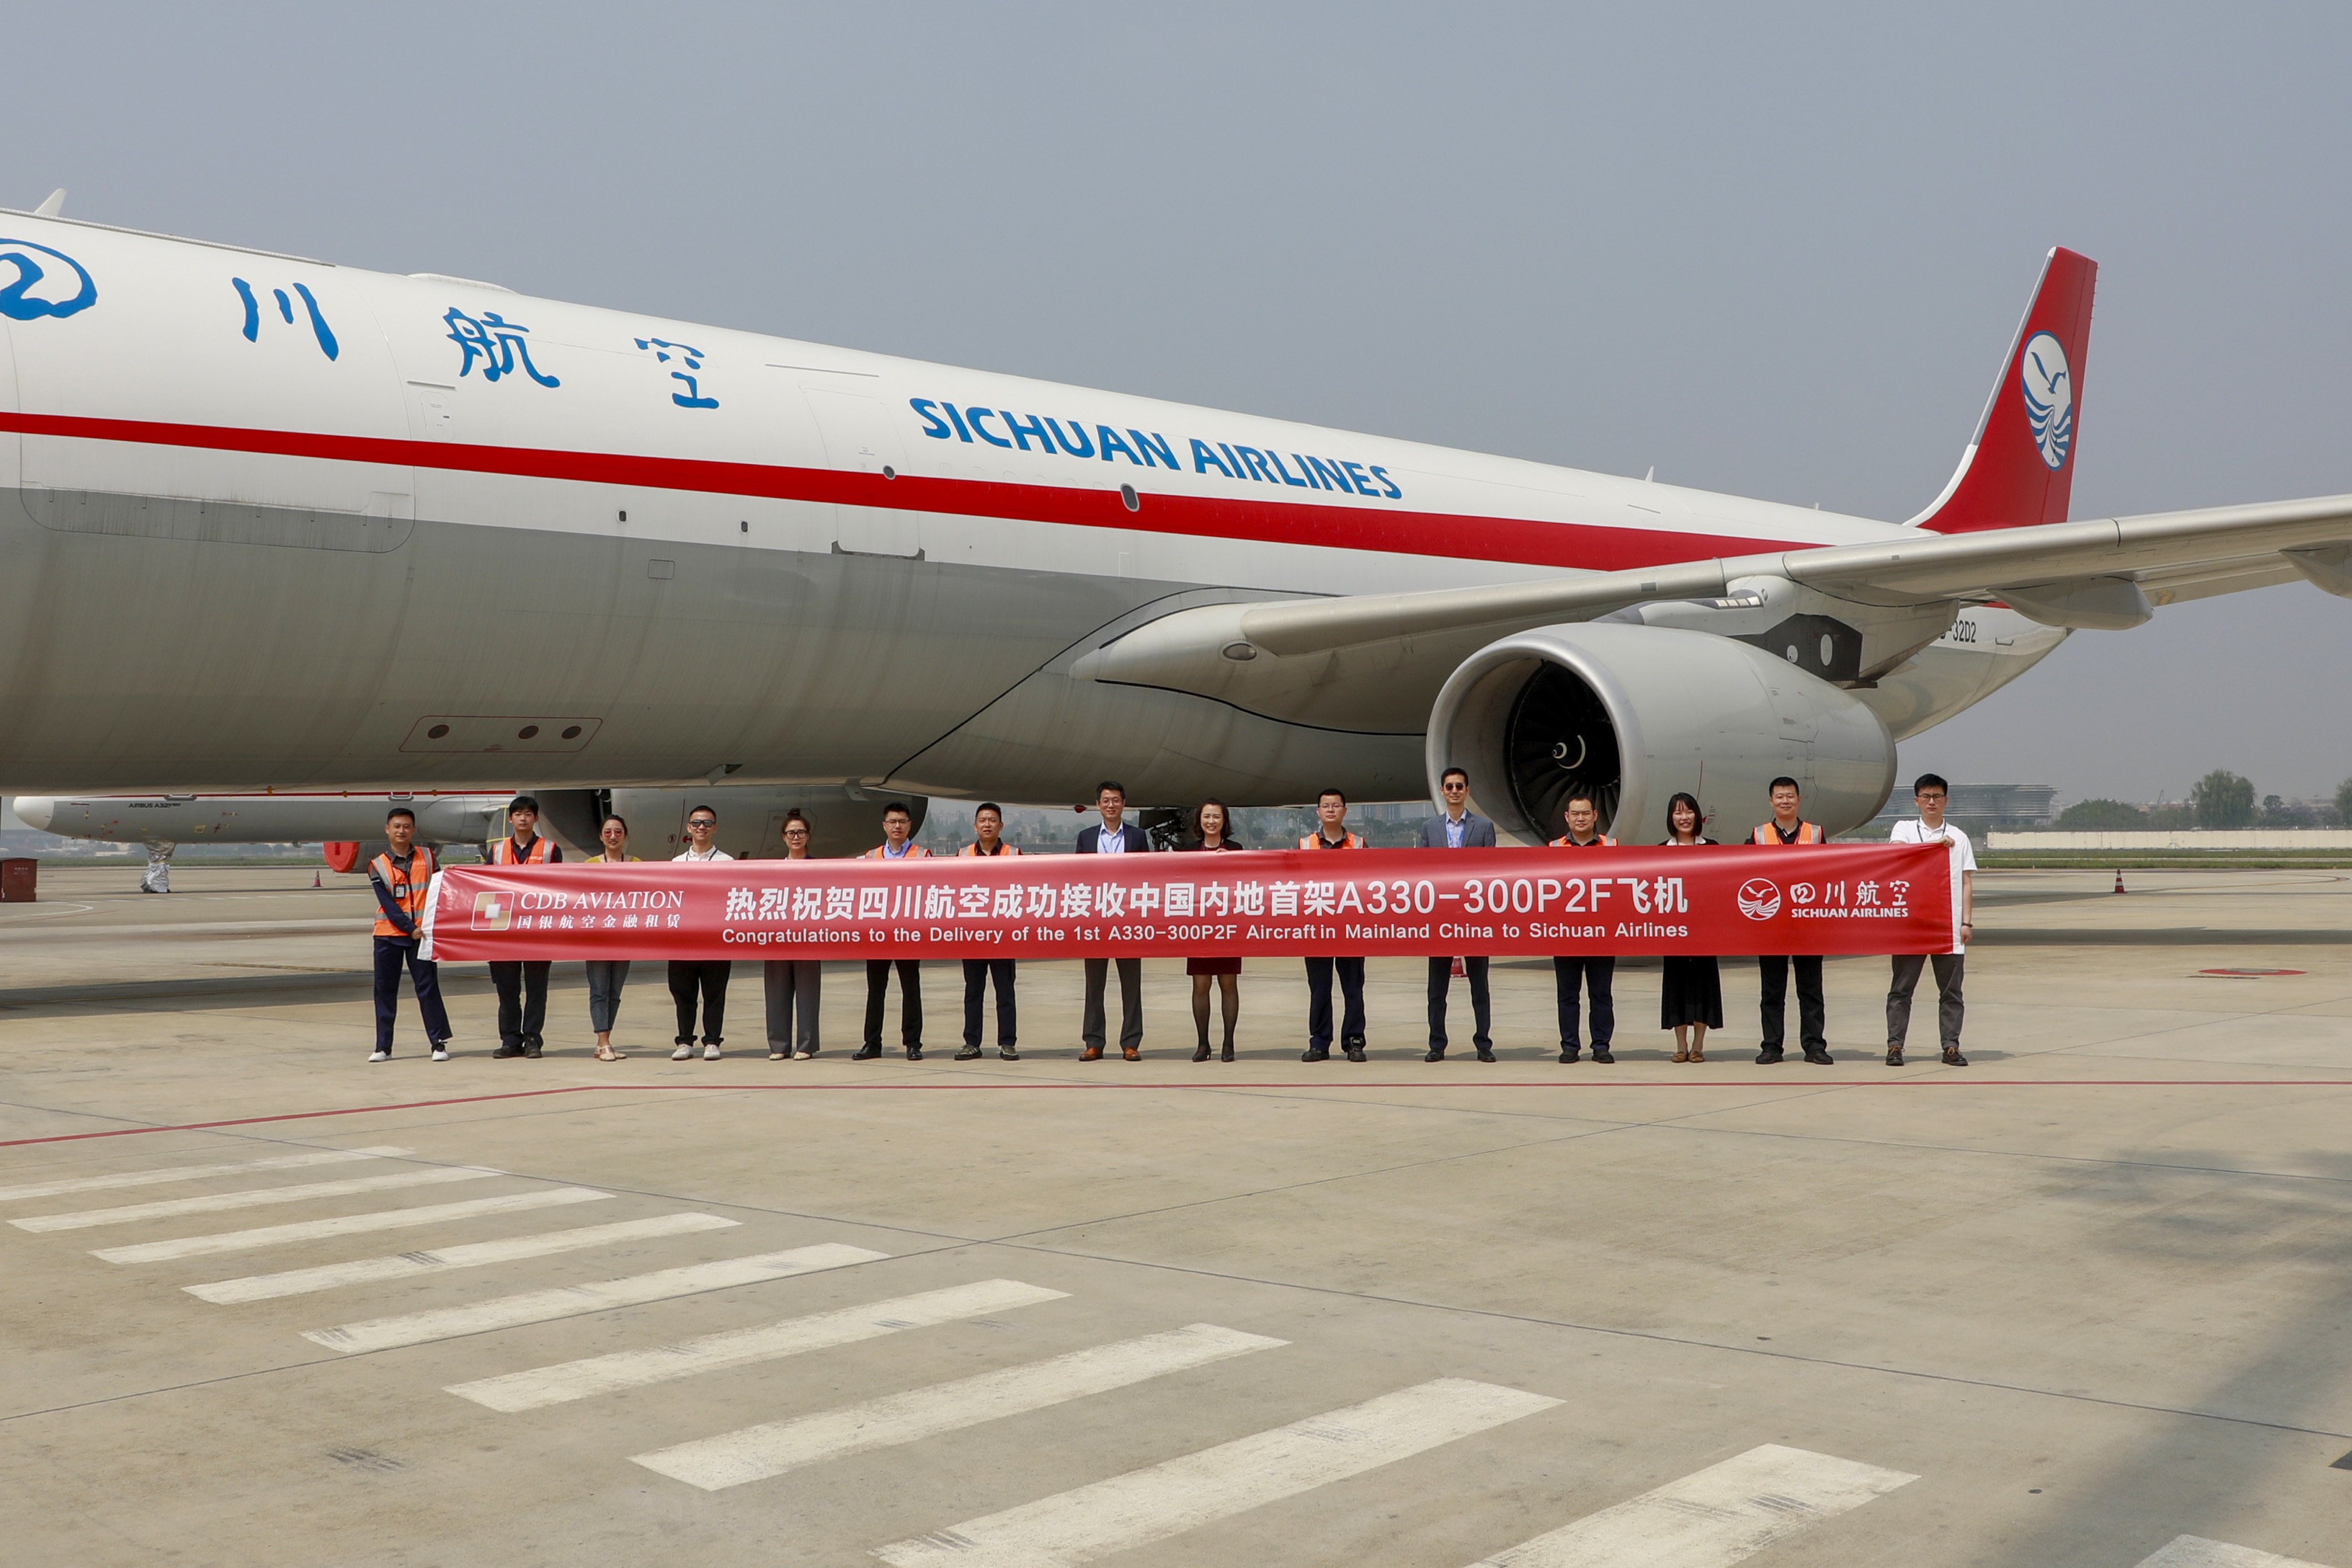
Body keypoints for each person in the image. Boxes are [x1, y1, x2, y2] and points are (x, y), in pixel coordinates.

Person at [1886, 772, 1976, 1067]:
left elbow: (1966, 882)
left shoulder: (1959, 837)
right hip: (1910, 924)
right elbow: (1898, 857)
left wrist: (1966, 922)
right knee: (1901, 989)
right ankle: (1895, 1046)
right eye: (1926, 797)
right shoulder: (1905, 829)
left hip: (1947, 925)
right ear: (1916, 801)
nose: (1931, 802)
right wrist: (1935, 848)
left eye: (1937, 796)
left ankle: (1951, 1046)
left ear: (1945, 800)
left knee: (1951, 992)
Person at [1751, 776, 1832, 1065]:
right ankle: (1772, 1046)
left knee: (1811, 989)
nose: (1785, 801)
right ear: (1770, 801)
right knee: (1772, 991)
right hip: (1771, 924)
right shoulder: (1758, 835)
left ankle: (1814, 1046)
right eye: (1779, 796)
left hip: (1808, 924)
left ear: (1799, 800)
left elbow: (1830, 873)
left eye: (1790, 796)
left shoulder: (1815, 832)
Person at [1420, 767, 1496, 1062]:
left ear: (1467, 791)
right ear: (1442, 791)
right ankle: (1437, 1044)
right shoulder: (1430, 828)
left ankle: (1484, 1044)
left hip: (1474, 917)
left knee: (1480, 987)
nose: (1454, 791)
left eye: (1459, 786)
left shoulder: (1483, 827)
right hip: (1440, 917)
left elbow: (1492, 872)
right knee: (1437, 989)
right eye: (1449, 786)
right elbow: (1423, 872)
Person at [366, 806, 452, 1063]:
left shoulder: (428, 857)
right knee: (384, 991)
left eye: (406, 826)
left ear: (413, 830)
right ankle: (383, 1047)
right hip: (388, 935)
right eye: (396, 826)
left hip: (422, 936)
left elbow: (441, 889)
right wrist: (409, 928)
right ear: (387, 830)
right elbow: (389, 905)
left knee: (427, 988)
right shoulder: (377, 865)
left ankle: (438, 1043)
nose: (401, 831)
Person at [1077, 781, 1149, 1061]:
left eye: (1116, 800)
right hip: (1095, 921)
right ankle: (1094, 1042)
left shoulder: (1137, 836)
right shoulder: (1085, 837)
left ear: (1124, 803)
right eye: (1106, 800)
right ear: (1098, 805)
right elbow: (1077, 879)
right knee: (1094, 985)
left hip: (1128, 919)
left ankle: (1131, 1042)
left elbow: (1147, 876)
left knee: (1131, 985)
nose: (1111, 805)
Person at [486, 795, 561, 1059]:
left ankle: (532, 1039)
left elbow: (559, 890)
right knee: (507, 990)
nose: (523, 818)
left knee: (536, 989)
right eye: (518, 814)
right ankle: (510, 1039)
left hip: (537, 931)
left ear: (536, 818)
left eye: (528, 814)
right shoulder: (496, 852)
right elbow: (486, 890)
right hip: (504, 931)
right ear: (511, 818)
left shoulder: (551, 850)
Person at [1299, 788, 1369, 1063]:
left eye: (1336, 805)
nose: (1331, 810)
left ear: (1345, 811)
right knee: (1319, 988)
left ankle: (1354, 1041)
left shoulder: (1359, 843)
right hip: (1317, 927)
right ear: (1318, 812)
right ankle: (1319, 1042)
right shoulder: (1305, 844)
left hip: (1350, 927)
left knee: (1353, 988)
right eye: (1325, 806)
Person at [858, 802, 930, 1061]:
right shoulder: (870, 856)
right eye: (892, 822)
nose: (897, 826)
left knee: (911, 989)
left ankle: (912, 1043)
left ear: (909, 825)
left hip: (908, 933)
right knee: (875, 990)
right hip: (879, 933)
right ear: (884, 826)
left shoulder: (923, 855)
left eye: (902, 822)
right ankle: (872, 1043)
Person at [1549, 794, 1618, 1064]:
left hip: (1601, 934)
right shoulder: (1554, 847)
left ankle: (1601, 1045)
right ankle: (1570, 1046)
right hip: (1566, 935)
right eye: (1575, 814)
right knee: (1567, 995)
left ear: (1595, 816)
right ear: (1567, 817)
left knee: (1601, 994)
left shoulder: (1611, 846)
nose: (1580, 818)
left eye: (1585, 814)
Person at [1657, 791, 1722, 1063]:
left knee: (1703, 986)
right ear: (1671, 818)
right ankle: (1680, 1046)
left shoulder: (1712, 847)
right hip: (1675, 933)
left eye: (1688, 812)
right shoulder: (1661, 851)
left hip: (1705, 932)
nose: (1684, 817)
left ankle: (1698, 1045)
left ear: (1697, 815)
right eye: (1678, 813)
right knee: (1677, 987)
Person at [1180, 800, 1246, 1062]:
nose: (1211, 821)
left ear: (1224, 821)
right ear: (1200, 821)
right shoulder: (1189, 851)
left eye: (1216, 817)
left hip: (1228, 926)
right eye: (1206, 817)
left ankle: (1228, 1043)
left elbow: (1245, 883)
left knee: (1228, 984)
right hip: (1199, 928)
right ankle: (1203, 1043)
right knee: (1201, 984)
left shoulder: (1235, 849)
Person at [957, 803, 1021, 1062]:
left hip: (1003, 936)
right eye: (982, 820)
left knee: (1005, 991)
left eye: (992, 820)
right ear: (975, 826)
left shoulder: (1013, 853)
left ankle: (1007, 1043)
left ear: (1001, 826)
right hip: (973, 935)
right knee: (973, 992)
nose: (987, 824)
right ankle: (971, 1042)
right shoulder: (963, 854)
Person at [668, 804, 733, 1061]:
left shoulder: (726, 862)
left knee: (714, 994)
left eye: (707, 823)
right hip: (683, 940)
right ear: (688, 829)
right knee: (683, 994)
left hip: (715, 940)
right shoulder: (676, 863)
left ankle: (712, 1041)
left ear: (715, 828)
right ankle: (685, 1041)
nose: (701, 828)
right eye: (696, 823)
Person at [764, 811, 824, 1061]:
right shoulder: (773, 869)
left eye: (800, 832)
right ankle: (779, 1045)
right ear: (784, 838)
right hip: (779, 939)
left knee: (808, 993)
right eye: (791, 833)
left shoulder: (819, 868)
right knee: (776, 992)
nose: (796, 837)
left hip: (808, 939)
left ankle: (807, 1045)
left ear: (808, 836)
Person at [583, 813, 639, 1062]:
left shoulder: (637, 863)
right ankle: (604, 1041)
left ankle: (602, 1042)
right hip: (597, 938)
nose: (613, 836)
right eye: (608, 832)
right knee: (599, 990)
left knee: (614, 991)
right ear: (601, 837)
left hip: (625, 938)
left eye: (618, 832)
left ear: (625, 836)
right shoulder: (590, 865)